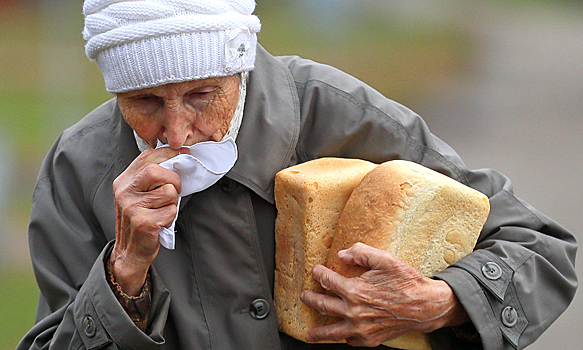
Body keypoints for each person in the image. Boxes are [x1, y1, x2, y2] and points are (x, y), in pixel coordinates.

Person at [18, 1, 577, 349]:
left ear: (240, 65)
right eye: (145, 102)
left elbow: (541, 251)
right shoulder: (79, 168)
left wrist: (440, 301)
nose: (179, 133)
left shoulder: (340, 115)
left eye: (202, 95)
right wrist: (124, 275)